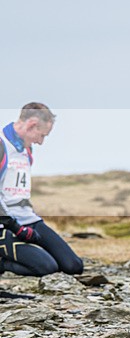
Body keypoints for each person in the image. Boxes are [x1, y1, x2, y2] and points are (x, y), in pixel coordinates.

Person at [0, 103, 84, 277]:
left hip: (29, 219)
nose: (41, 141)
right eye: (41, 135)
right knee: (47, 268)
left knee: (73, 266)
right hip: (5, 224)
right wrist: (15, 227)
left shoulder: (27, 149)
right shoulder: (2, 145)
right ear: (31, 124)